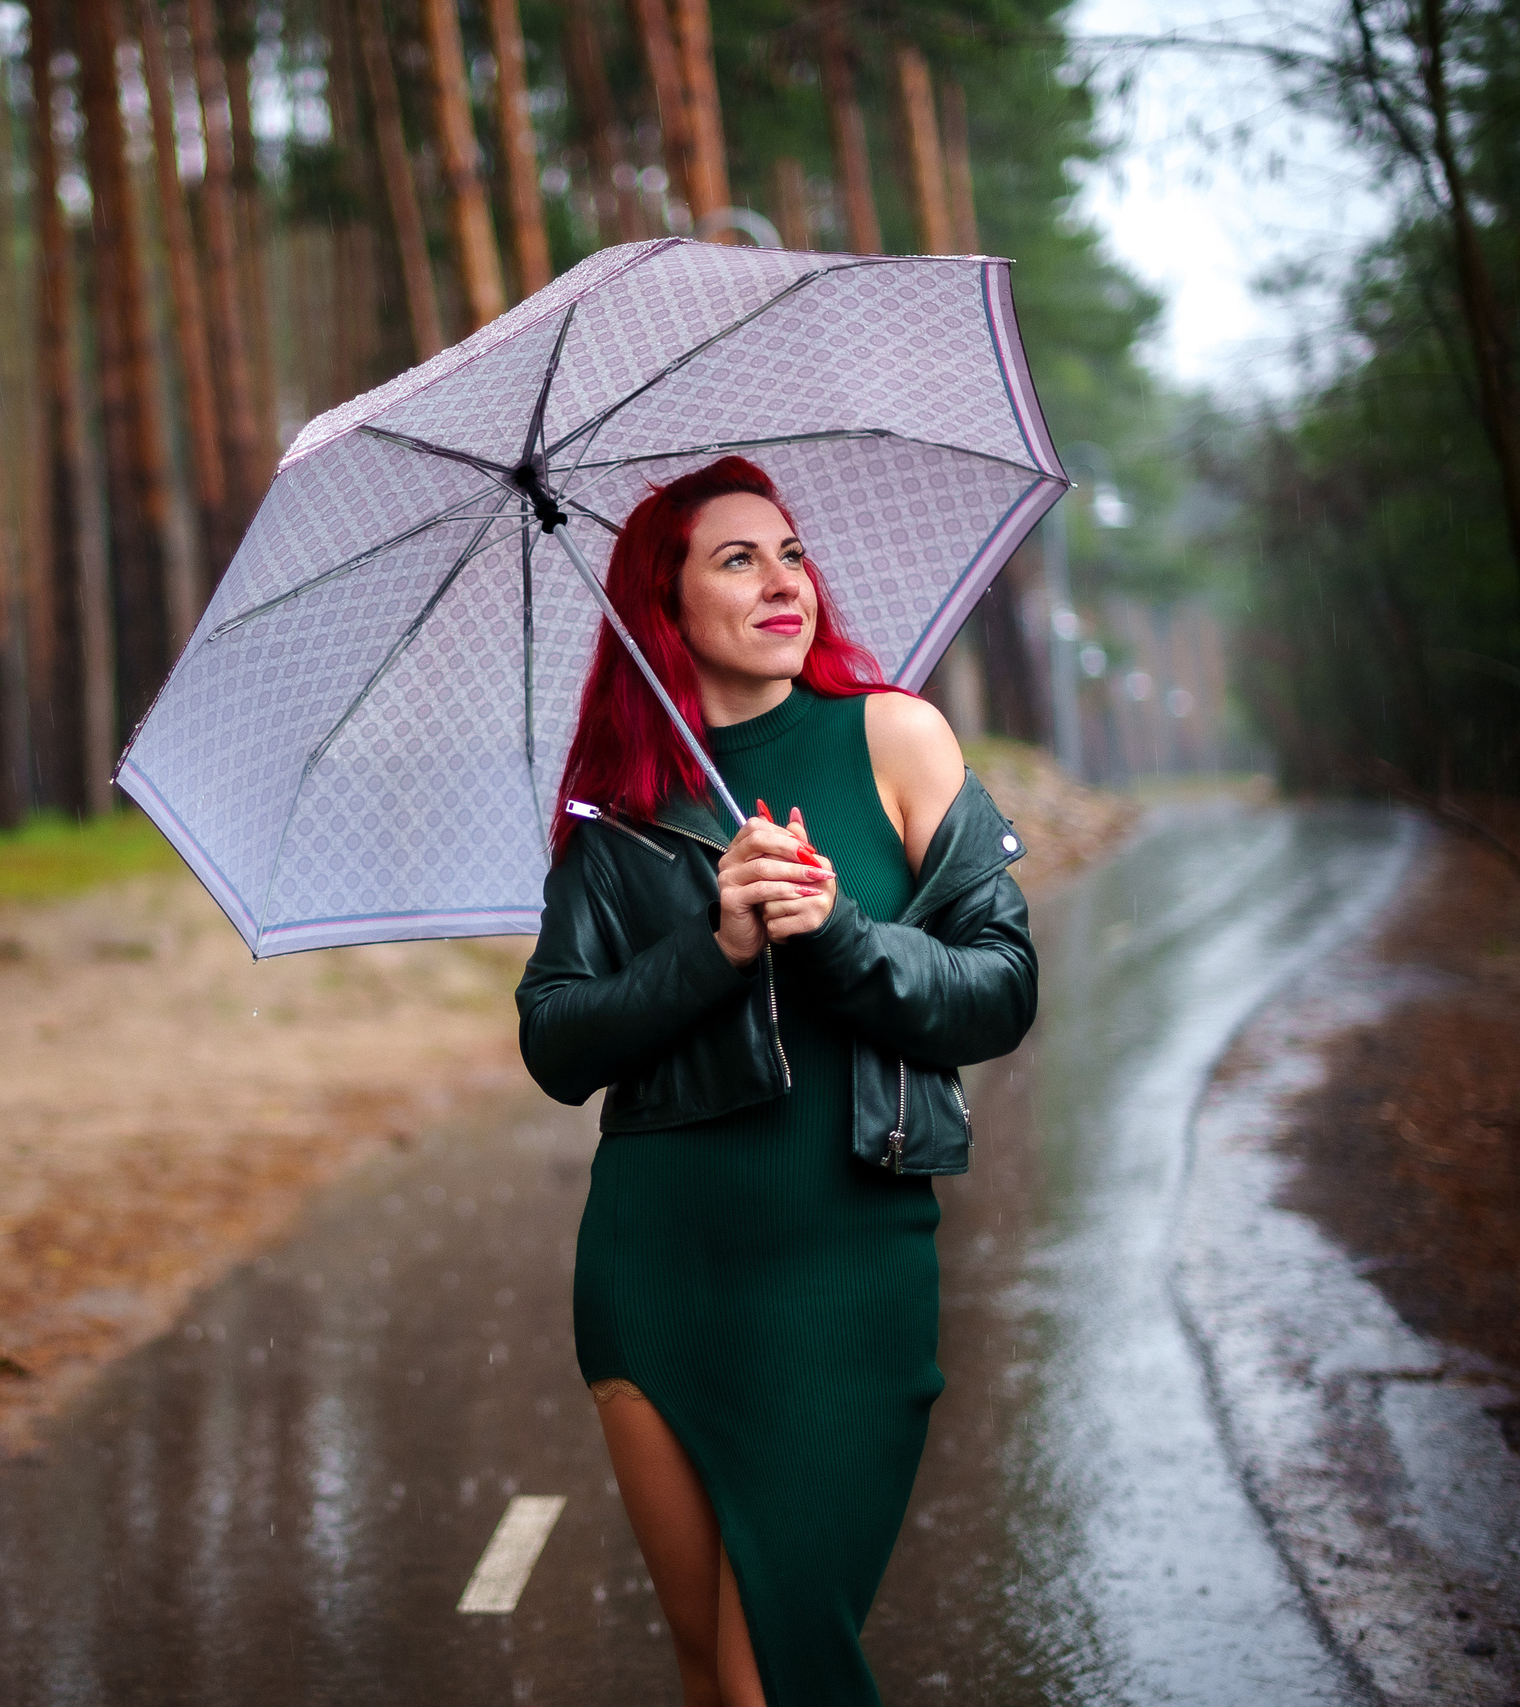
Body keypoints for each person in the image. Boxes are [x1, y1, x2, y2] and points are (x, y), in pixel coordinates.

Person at [516, 456, 1038, 1706]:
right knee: (711, 1669)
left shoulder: (894, 737)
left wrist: (836, 933)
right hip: (655, 1271)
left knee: (779, 1670)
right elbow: (555, 1042)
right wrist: (719, 946)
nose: (781, 581)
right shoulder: (621, 817)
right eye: (736, 559)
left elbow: (1000, 987)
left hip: (846, 1265)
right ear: (666, 606)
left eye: (790, 553)